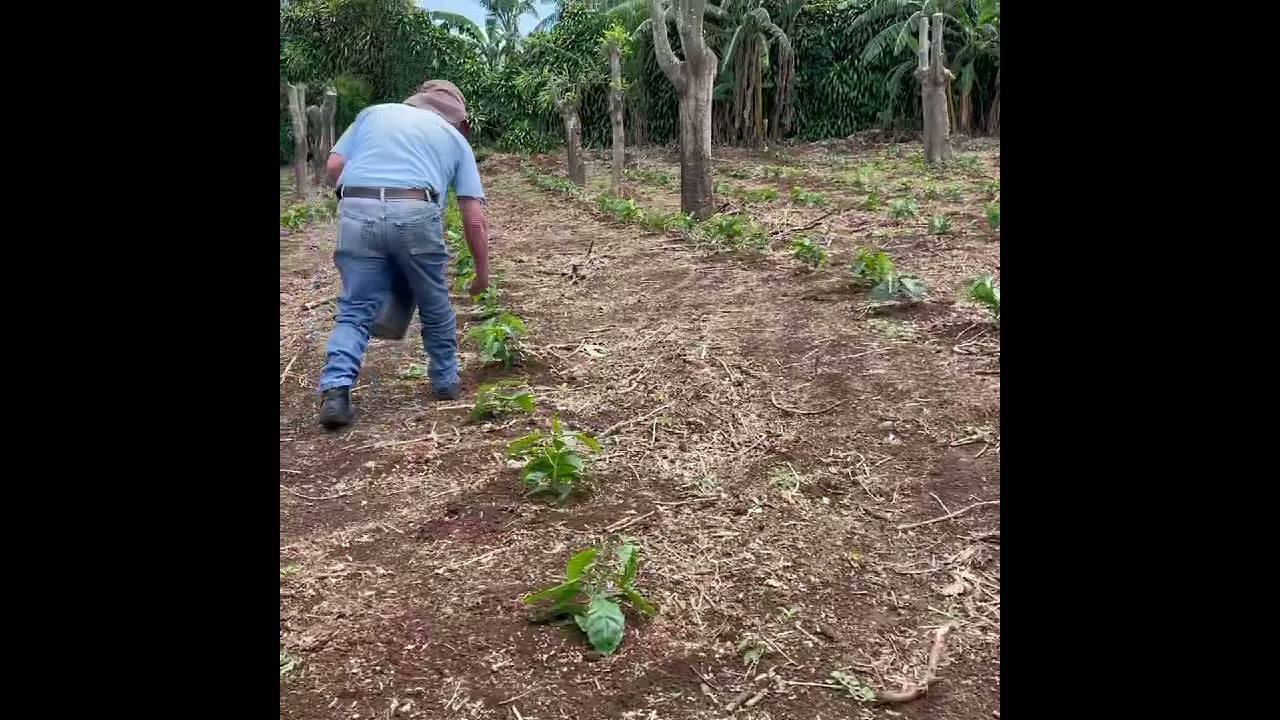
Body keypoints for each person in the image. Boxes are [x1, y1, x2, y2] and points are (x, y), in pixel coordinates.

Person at [317, 79, 490, 429]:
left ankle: (336, 390)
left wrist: (360, 199)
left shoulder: (373, 114)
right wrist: (482, 274)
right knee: (433, 301)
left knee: (354, 307)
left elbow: (335, 166)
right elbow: (474, 219)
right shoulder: (455, 139)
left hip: (357, 204)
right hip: (415, 208)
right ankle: (444, 382)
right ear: (459, 119)